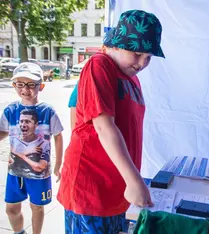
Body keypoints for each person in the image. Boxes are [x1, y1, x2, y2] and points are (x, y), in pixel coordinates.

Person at [57, 9, 165, 233]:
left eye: (149, 57)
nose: (142, 63)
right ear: (115, 44)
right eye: (137, 53)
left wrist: (131, 180)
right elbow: (103, 126)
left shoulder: (132, 80)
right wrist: (134, 180)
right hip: (91, 189)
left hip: (116, 188)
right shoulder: (100, 65)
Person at [0, 62, 64, 234]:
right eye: (20, 84)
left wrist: (58, 164)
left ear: (41, 86)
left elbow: (58, 136)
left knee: (37, 207)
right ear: (14, 86)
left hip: (39, 174)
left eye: (30, 84)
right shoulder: (10, 110)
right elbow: (4, 131)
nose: (25, 89)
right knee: (11, 208)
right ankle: (19, 232)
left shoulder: (47, 111)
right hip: (14, 172)